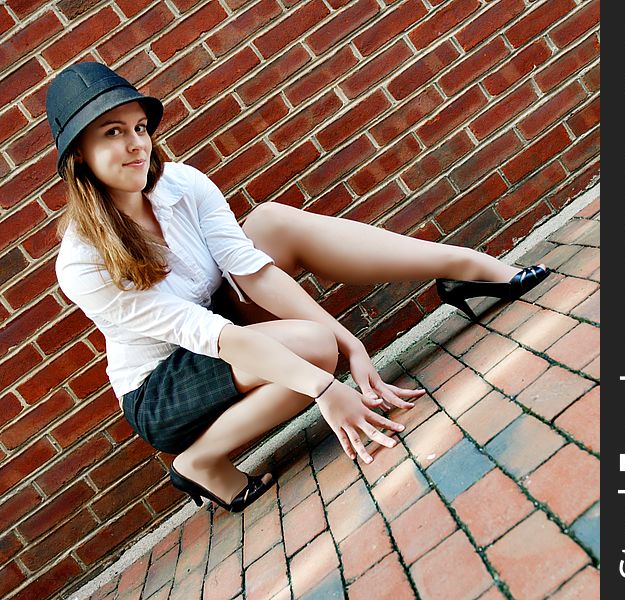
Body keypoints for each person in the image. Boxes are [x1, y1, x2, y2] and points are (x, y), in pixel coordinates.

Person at [46, 62, 548, 513]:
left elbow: (253, 270)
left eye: (140, 127)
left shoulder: (181, 184)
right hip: (164, 383)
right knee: (312, 348)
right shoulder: (81, 263)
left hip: (222, 327)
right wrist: (326, 386)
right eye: (114, 133)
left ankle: (464, 265)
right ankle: (198, 460)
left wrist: (353, 346)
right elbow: (210, 335)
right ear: (80, 157)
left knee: (269, 225)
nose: (137, 144)